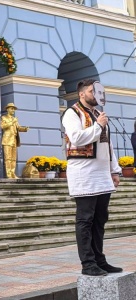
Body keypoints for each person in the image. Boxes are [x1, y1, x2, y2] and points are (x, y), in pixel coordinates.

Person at [61, 78, 122, 276]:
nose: (95, 95)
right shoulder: (71, 113)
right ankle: (88, 264)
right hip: (84, 174)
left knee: (100, 219)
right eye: (91, 91)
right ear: (81, 94)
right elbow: (77, 138)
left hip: (102, 174)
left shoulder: (98, 114)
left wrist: (114, 170)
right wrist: (98, 126)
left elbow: (108, 145)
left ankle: (99, 260)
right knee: (85, 219)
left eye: (96, 91)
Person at [0, 103, 29, 178]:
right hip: (7, 140)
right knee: (8, 158)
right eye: (12, 108)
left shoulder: (14, 119)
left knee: (13, 159)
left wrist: (25, 129)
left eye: (14, 109)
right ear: (7, 109)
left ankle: (13, 173)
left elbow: (18, 128)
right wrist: (12, 122)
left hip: (14, 140)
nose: (13, 110)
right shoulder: (4, 118)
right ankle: (9, 174)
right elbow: (3, 126)